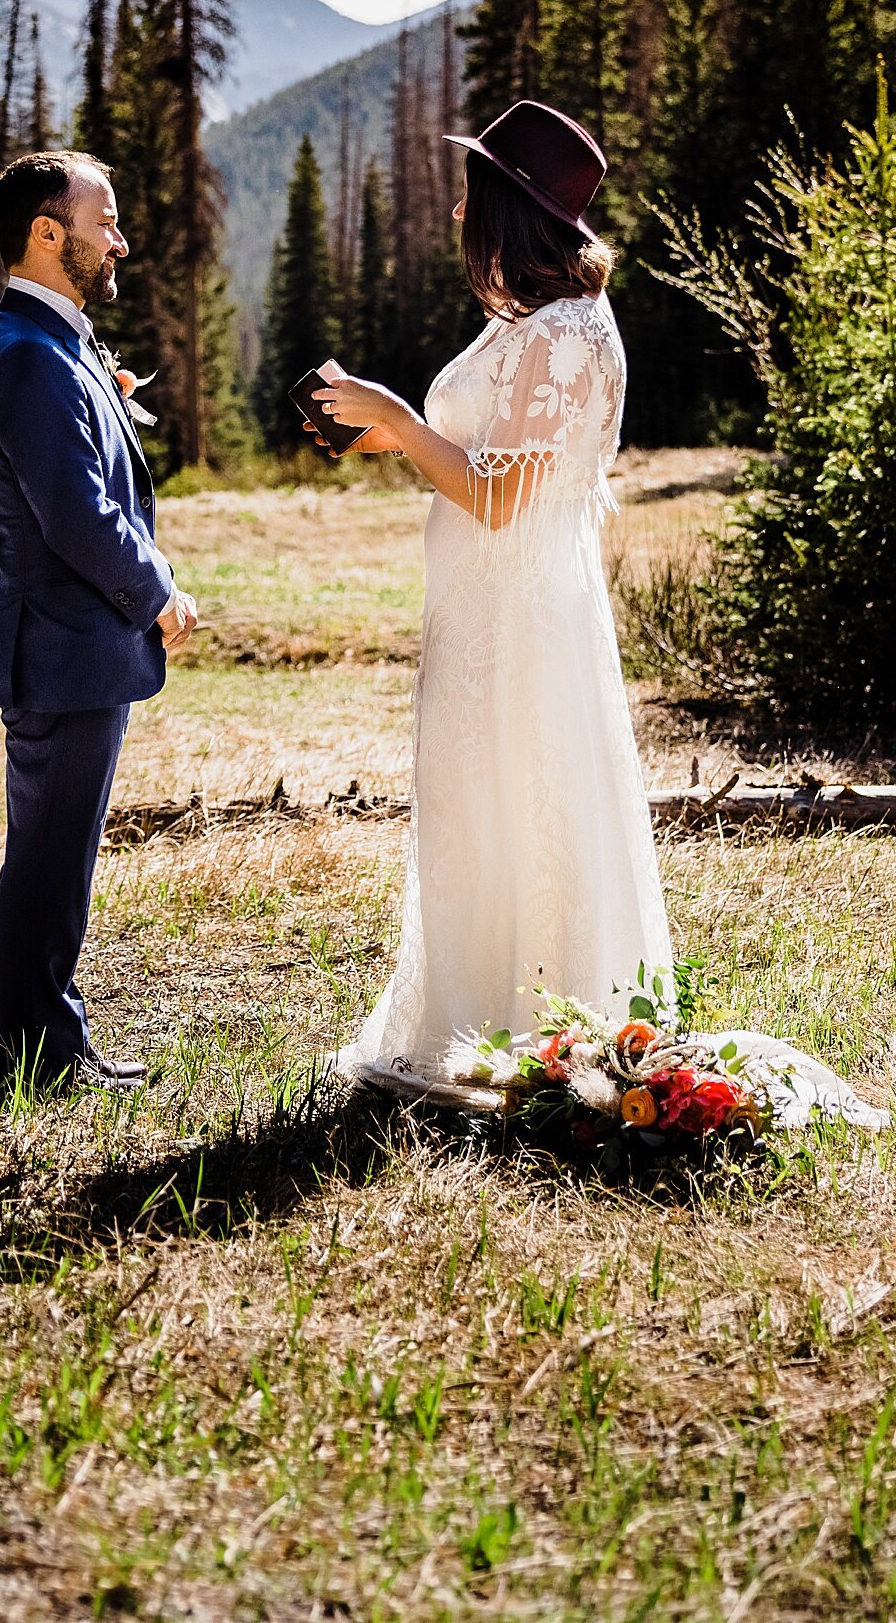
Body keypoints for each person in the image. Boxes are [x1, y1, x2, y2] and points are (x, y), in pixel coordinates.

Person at [309, 99, 673, 1072]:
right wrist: (374, 427)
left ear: (507, 210)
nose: (462, 211)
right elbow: (482, 457)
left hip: (520, 619)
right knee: (482, 811)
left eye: (474, 192)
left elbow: (501, 496)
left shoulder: (563, 333)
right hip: (485, 611)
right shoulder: (532, 323)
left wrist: (394, 407)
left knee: (523, 804)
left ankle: (526, 1032)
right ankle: (483, 1020)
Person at [0, 149, 198, 1089]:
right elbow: (78, 518)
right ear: (46, 233)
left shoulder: (53, 344)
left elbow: (78, 470)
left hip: (74, 648)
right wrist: (160, 592)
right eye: (104, 220)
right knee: (49, 861)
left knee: (58, 856)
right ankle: (36, 1055)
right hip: (61, 646)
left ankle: (45, 1040)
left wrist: (109, 400)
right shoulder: (25, 355)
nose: (121, 238)